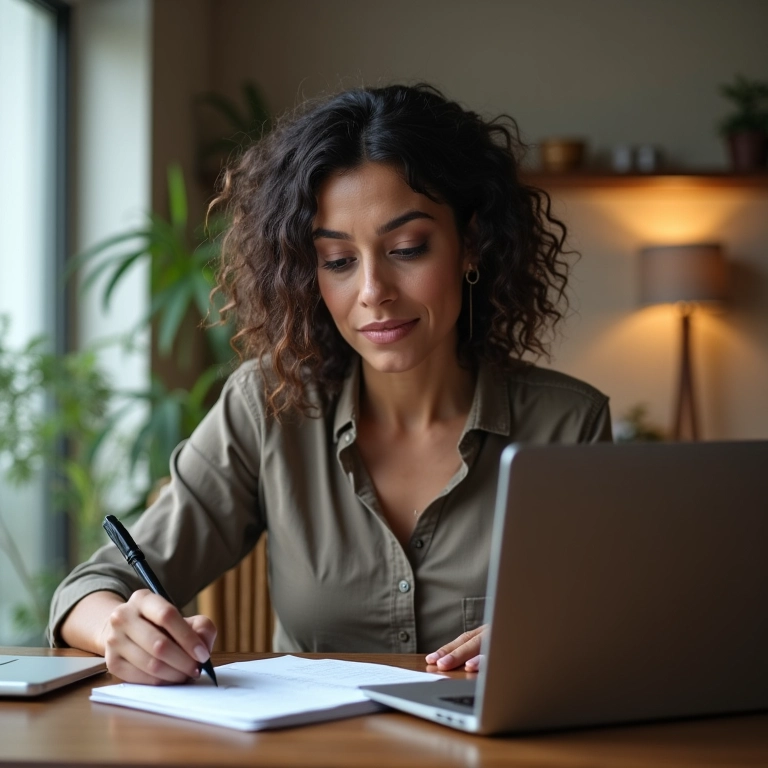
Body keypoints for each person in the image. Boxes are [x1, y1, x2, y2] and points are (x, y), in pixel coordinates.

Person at [48, 83, 612, 685]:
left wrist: (553, 639)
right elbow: (89, 590)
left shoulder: (567, 425)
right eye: (339, 261)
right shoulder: (267, 406)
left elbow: (620, 621)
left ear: (471, 243)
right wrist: (122, 630)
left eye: (407, 248)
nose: (373, 291)